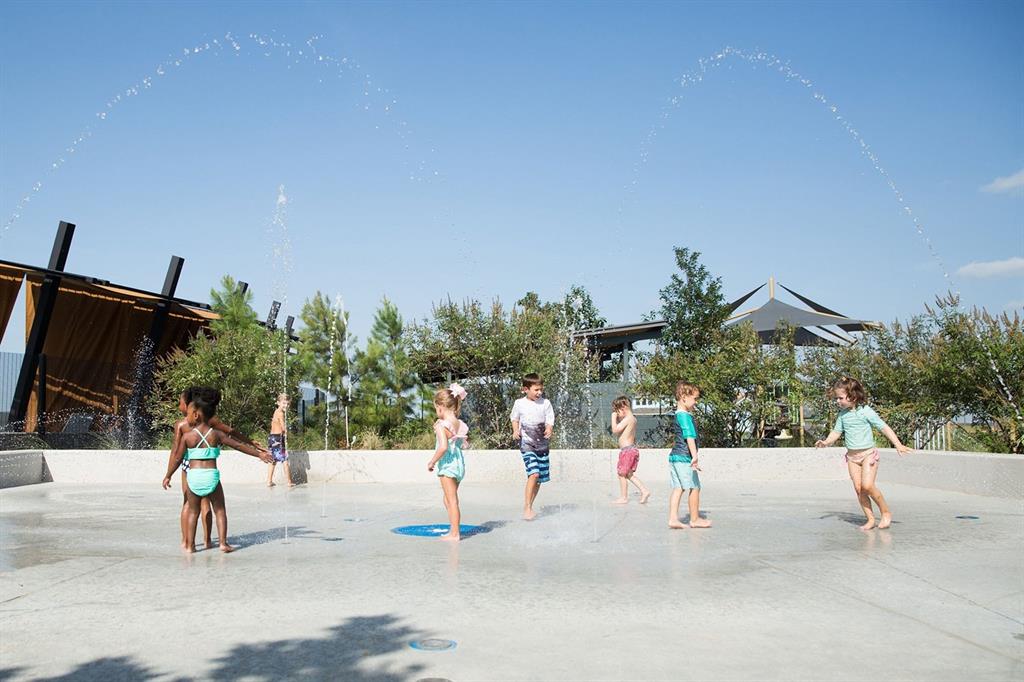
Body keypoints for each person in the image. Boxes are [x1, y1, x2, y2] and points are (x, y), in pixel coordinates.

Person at [162, 393, 274, 552]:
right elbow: (238, 445)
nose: (187, 417)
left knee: (193, 511)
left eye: (189, 413)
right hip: (211, 476)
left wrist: (168, 475)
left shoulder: (187, 436)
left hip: (194, 477)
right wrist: (259, 454)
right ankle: (223, 543)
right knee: (220, 510)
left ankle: (190, 546)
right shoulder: (216, 434)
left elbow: (178, 457)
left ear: (196, 415)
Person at [815, 376, 911, 530]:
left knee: (867, 485)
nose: (837, 401)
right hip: (852, 458)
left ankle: (885, 512)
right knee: (859, 489)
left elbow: (883, 427)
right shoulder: (842, 415)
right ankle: (870, 519)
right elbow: (836, 432)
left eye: (840, 398)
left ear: (852, 396)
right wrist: (826, 442)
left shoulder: (866, 411)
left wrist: (898, 444)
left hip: (868, 455)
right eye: (836, 398)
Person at [427, 383, 469, 541]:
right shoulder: (460, 424)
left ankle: (455, 533)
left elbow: (443, 447)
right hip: (458, 464)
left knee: (451, 501)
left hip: (447, 464)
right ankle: (453, 529)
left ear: (440, 407)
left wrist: (432, 462)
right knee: (448, 499)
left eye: (436, 408)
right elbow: (464, 443)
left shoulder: (441, 425)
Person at [510, 373, 555, 521]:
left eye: (541, 389)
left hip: (542, 446)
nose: (539, 392)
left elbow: (550, 419)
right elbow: (514, 418)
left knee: (539, 478)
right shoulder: (519, 403)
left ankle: (530, 505)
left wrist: (549, 428)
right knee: (534, 474)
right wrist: (515, 430)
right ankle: (527, 507)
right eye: (536, 390)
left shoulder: (545, 403)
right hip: (527, 445)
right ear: (525, 389)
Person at [668, 381, 711, 529]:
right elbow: (689, 436)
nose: (696, 402)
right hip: (684, 457)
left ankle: (673, 519)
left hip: (675, 456)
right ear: (684, 397)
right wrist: (694, 456)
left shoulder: (678, 414)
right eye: (695, 398)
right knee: (695, 487)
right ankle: (694, 519)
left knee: (678, 488)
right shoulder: (685, 416)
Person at [610, 396, 650, 504]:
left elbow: (615, 430)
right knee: (628, 474)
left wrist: (613, 417)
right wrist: (618, 418)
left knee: (621, 474)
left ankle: (624, 497)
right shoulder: (632, 419)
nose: (617, 414)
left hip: (627, 451)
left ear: (623, 408)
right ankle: (644, 491)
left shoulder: (628, 419)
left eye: (617, 411)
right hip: (631, 450)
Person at [266, 393, 293, 488]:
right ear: (278, 403)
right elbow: (282, 426)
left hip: (272, 437)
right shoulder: (281, 413)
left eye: (288, 404)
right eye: (284, 403)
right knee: (284, 460)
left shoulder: (276, 411)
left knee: (273, 460)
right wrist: (286, 432)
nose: (286, 405)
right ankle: (289, 482)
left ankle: (269, 481)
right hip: (278, 438)